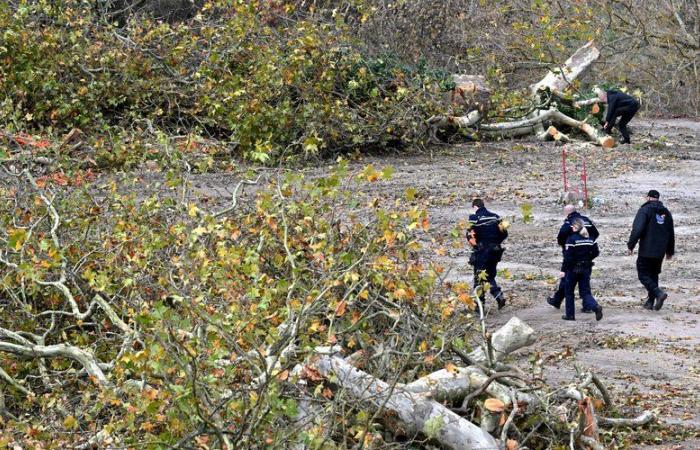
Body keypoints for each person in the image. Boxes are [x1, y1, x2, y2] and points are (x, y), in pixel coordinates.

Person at [627, 190, 675, 310]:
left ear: (648, 198)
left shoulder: (645, 210)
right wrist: (670, 250)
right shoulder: (666, 212)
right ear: (658, 198)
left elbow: (637, 229)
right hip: (660, 250)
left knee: (643, 274)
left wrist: (631, 245)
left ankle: (658, 293)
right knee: (653, 274)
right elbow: (671, 232)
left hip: (647, 249)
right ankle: (650, 301)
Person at [548, 205, 600, 312]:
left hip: (572, 255)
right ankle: (588, 306)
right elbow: (596, 234)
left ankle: (564, 308)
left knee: (568, 280)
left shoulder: (569, 222)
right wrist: (589, 243)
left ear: (567, 213)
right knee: (584, 284)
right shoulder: (586, 220)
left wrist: (566, 246)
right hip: (586, 258)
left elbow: (561, 236)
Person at [468, 199, 508, 309]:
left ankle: (479, 305)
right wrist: (495, 242)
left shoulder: (473, 219)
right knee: (490, 275)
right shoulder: (496, 217)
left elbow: (470, 236)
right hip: (496, 251)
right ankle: (498, 296)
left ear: (475, 207)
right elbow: (504, 233)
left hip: (482, 252)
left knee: (479, 278)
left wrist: (476, 247)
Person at [561, 218, 603, 321]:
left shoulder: (571, 239)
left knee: (569, 292)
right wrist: (587, 259)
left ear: (575, 227)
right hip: (586, 268)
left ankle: (570, 315)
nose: (571, 228)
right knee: (585, 292)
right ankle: (595, 306)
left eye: (572, 226)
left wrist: (563, 270)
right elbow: (596, 252)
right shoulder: (590, 239)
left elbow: (568, 257)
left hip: (573, 269)